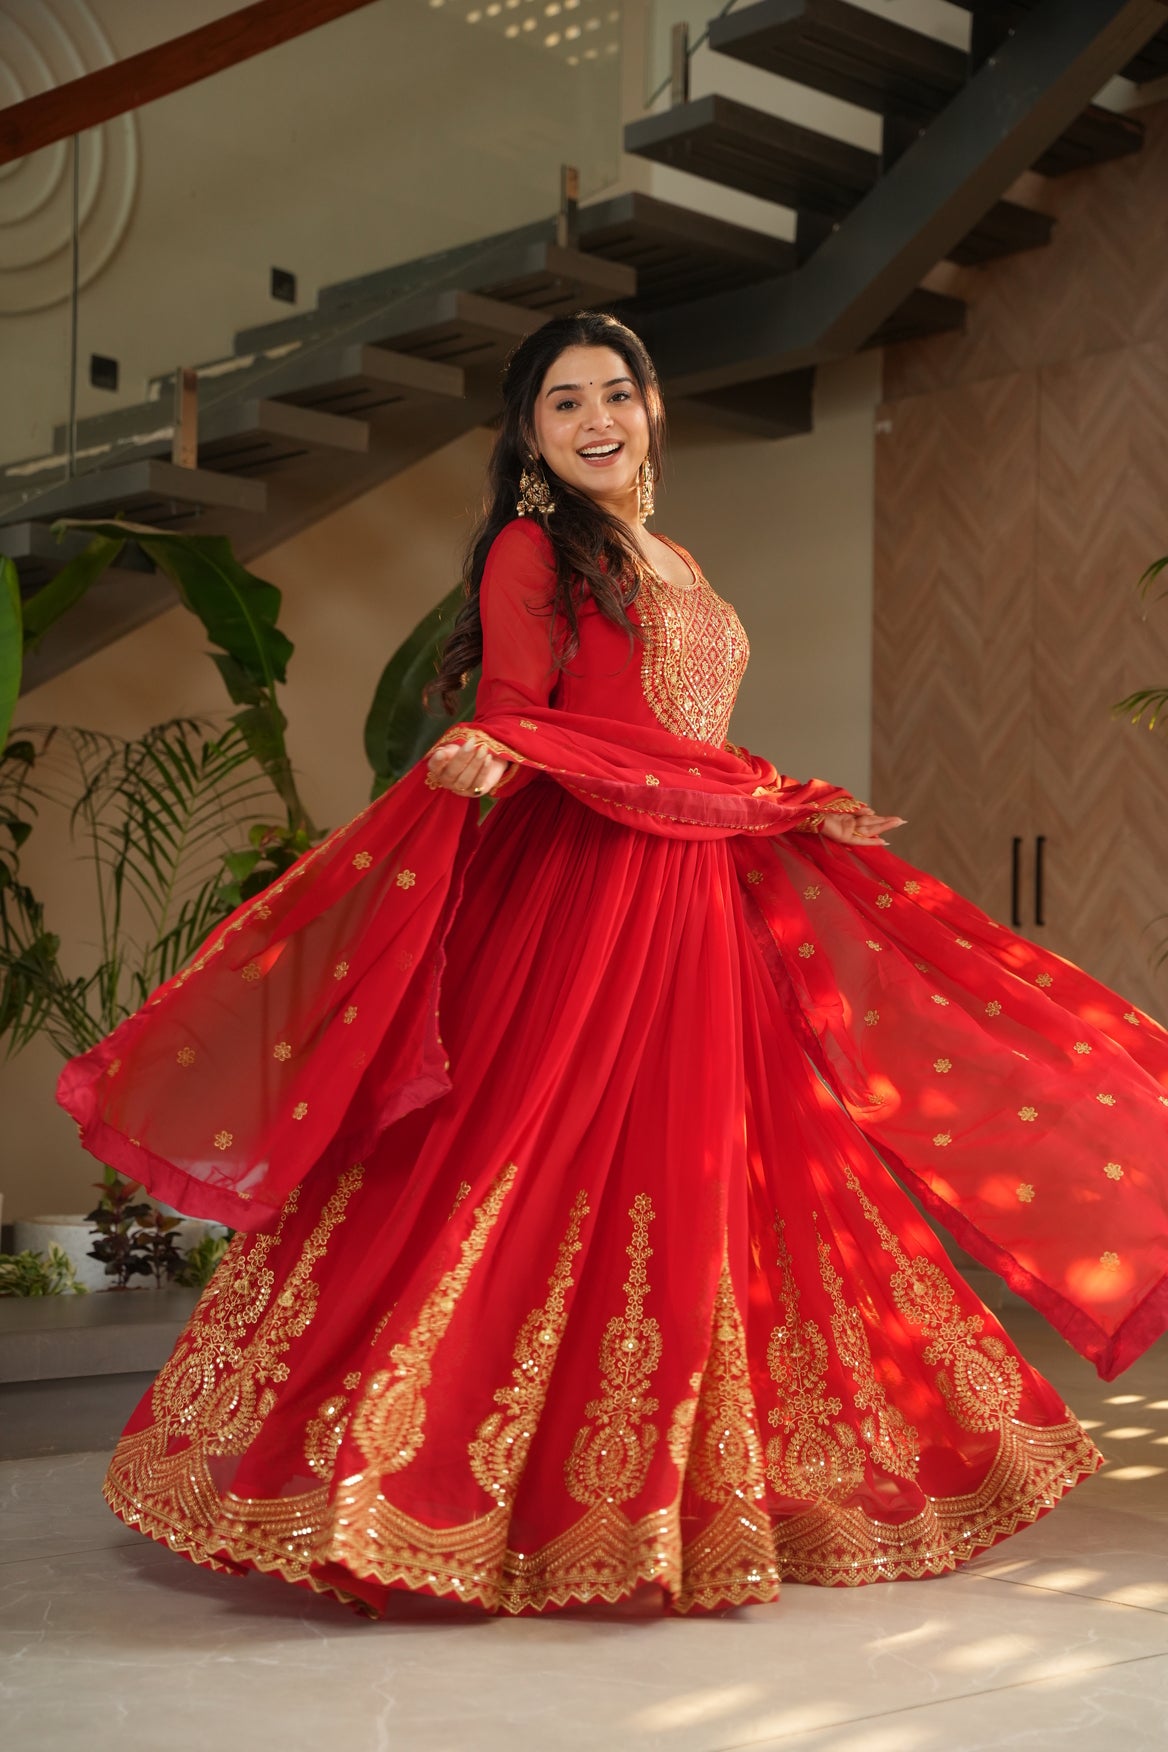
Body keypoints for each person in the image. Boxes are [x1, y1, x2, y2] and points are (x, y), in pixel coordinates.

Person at [59, 313, 1168, 1618]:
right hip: (587, 893)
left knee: (715, 1173)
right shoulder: (535, 547)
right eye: (564, 402)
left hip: (695, 893)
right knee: (524, 1159)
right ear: (529, 435)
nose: (597, 418)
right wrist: (494, 752)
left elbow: (684, 738)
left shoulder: (671, 555)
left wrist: (776, 801)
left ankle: (705, 1493)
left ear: (650, 409)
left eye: (617, 394)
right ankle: (409, 1492)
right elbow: (527, 713)